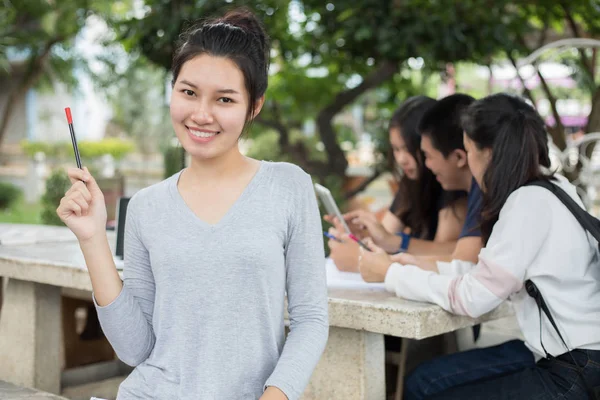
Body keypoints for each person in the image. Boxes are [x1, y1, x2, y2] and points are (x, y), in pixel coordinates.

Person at [56, 9, 328, 400]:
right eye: (188, 92)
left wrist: (275, 395)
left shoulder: (288, 187)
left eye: (224, 99)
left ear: (254, 106)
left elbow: (311, 319)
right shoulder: (146, 207)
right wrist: (93, 238)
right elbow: (136, 349)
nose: (201, 114)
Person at [359, 93, 600, 399]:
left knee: (431, 390)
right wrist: (413, 265)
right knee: (425, 381)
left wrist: (391, 274)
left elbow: (473, 298)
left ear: (488, 153)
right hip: (571, 355)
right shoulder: (556, 189)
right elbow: (487, 275)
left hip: (574, 368)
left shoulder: (526, 202)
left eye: (469, 149)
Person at [326, 96, 468, 272]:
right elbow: (385, 235)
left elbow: (450, 256)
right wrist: (361, 235)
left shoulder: (453, 185)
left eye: (408, 149)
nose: (401, 159)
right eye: (396, 149)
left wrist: (368, 259)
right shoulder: (411, 184)